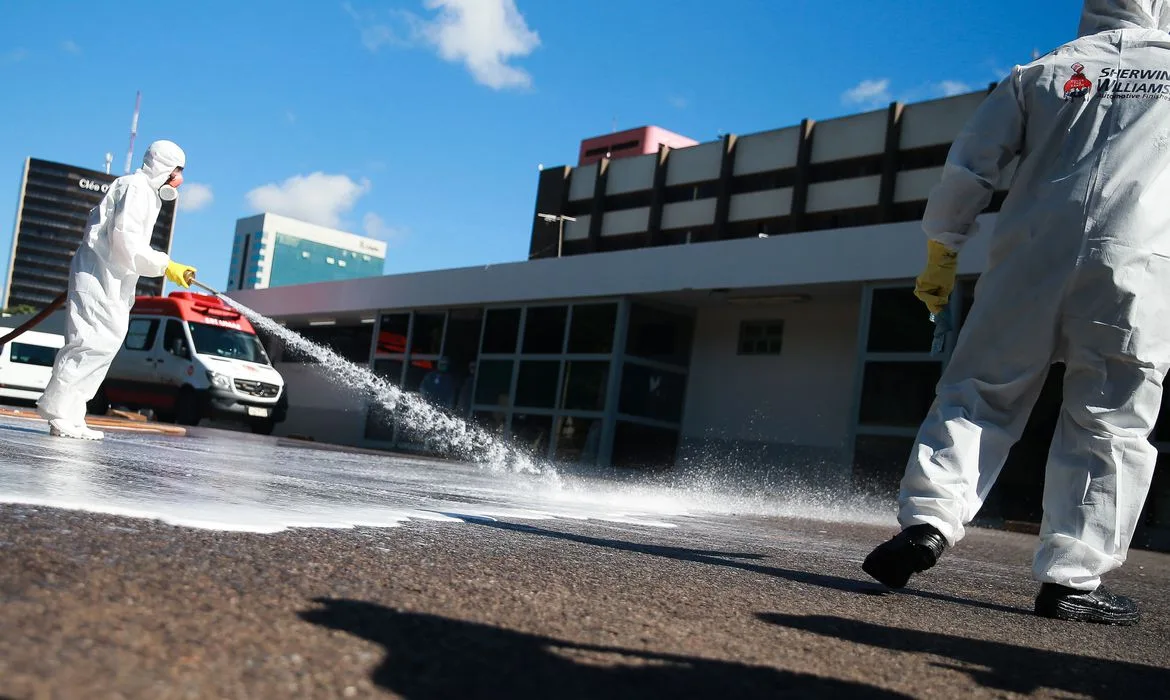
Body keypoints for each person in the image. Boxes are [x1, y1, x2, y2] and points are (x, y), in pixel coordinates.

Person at [862, 0, 1170, 626]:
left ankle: (927, 524)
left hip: (1027, 259)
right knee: (1108, 420)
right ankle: (1071, 581)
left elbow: (970, 166)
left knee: (977, 394)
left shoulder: (1044, 71)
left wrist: (941, 254)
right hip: (1135, 265)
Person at [36, 140, 197, 440]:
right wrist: (165, 265)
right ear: (164, 167)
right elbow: (125, 241)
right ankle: (59, 412)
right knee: (90, 342)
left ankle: (72, 414)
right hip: (99, 273)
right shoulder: (134, 188)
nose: (180, 180)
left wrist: (164, 265)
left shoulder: (148, 195)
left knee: (105, 344)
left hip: (113, 278)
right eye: (178, 171)